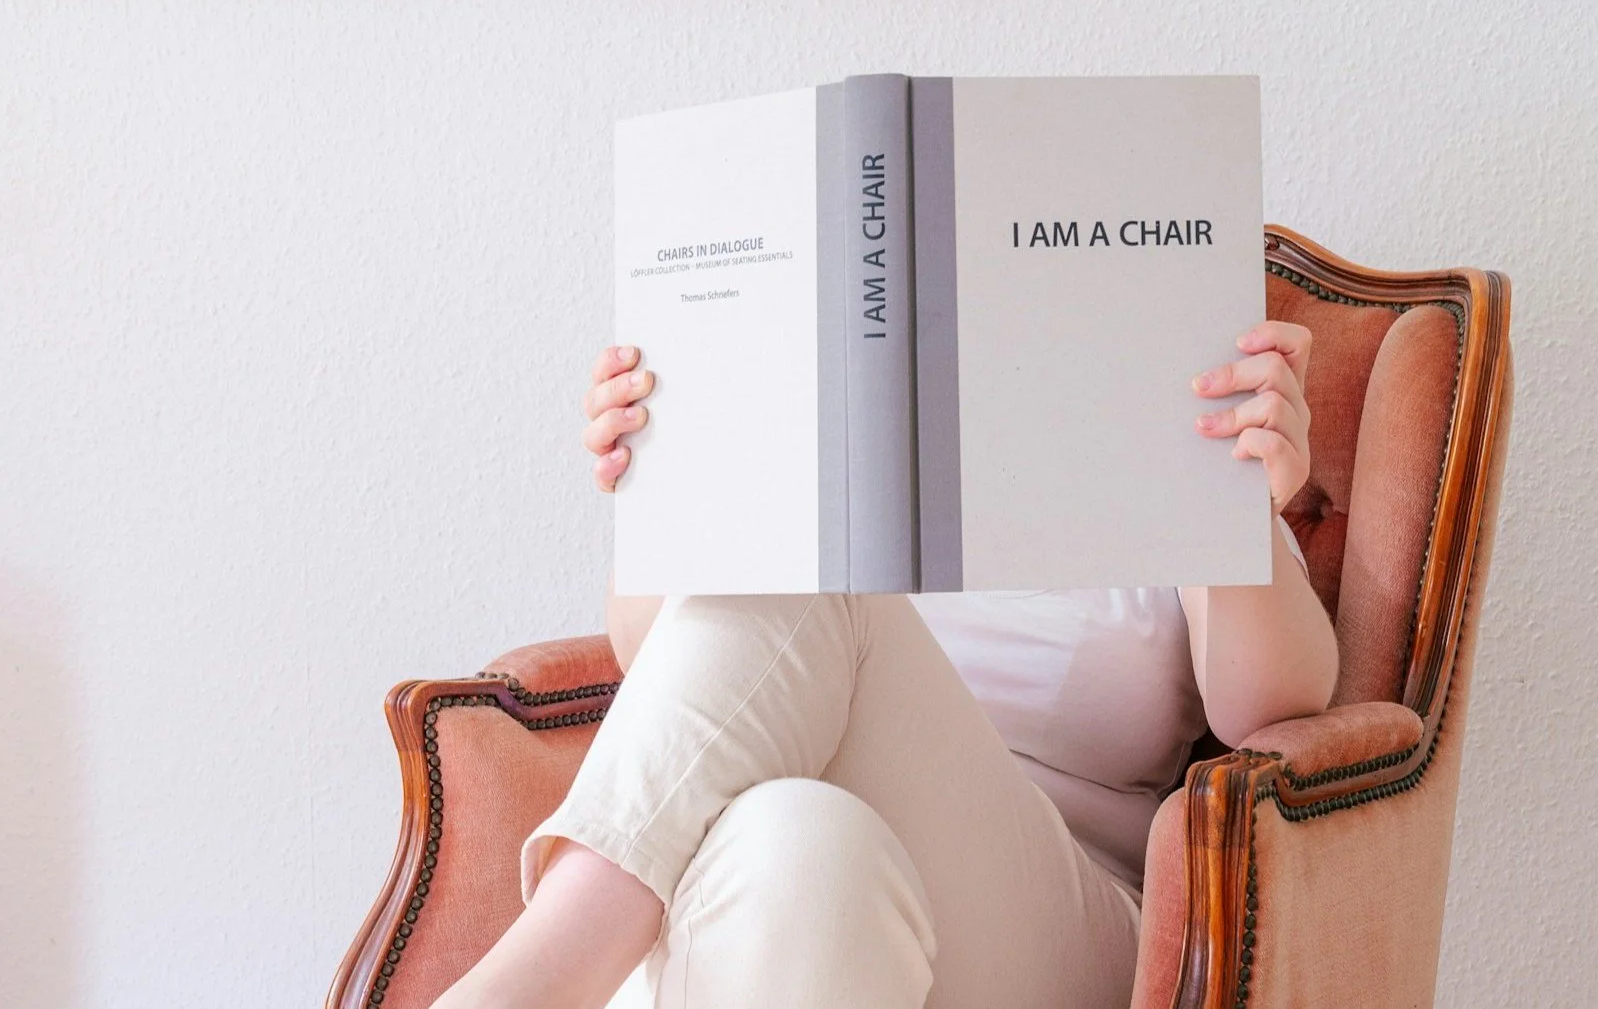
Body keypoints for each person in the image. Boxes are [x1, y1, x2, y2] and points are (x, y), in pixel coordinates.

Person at [431, 319, 1337, 1009]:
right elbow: (653, 654)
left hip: (1057, 924)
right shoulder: (841, 425)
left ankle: (531, 979)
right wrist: (666, 484)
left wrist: (1233, 505)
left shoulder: (1172, 442)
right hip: (799, 871)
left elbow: (1270, 709)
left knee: (820, 578)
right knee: (800, 839)